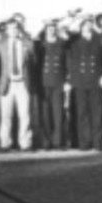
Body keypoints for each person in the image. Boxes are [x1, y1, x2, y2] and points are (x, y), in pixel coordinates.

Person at [67, 18, 102, 152]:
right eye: (84, 25)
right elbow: (65, 38)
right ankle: (84, 143)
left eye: (89, 24)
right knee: (82, 113)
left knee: (98, 113)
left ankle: (99, 142)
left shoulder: (99, 40)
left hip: (96, 81)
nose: (87, 27)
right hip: (79, 82)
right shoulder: (74, 42)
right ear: (80, 27)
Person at [0, 14, 34, 150]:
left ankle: (25, 143)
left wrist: (24, 34)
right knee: (6, 115)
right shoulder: (0, 45)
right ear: (6, 30)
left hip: (22, 83)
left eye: (16, 28)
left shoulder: (26, 44)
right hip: (7, 83)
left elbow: (32, 54)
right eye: (10, 28)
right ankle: (5, 143)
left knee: (24, 115)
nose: (13, 30)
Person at [33, 20, 70, 150]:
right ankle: (46, 141)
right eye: (49, 28)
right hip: (43, 82)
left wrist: (67, 80)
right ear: (45, 29)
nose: (51, 30)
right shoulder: (40, 44)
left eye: (53, 28)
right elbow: (36, 64)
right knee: (45, 113)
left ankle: (58, 141)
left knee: (58, 112)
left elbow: (67, 63)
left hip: (58, 81)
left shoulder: (62, 44)